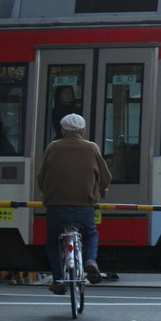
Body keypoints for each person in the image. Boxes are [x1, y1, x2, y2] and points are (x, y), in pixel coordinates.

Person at [36, 113, 111, 293]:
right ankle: (90, 261)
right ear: (83, 131)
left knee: (53, 242)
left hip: (56, 207)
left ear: (62, 131)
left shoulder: (52, 147)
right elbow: (106, 176)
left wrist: (48, 193)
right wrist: (102, 189)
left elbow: (41, 178)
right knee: (90, 234)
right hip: (84, 207)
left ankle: (58, 279)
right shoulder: (91, 148)